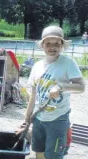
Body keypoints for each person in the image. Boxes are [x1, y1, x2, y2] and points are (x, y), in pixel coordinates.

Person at [17, 26, 85, 159]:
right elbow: (33, 95)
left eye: (57, 43)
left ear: (62, 45)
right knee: (39, 151)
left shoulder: (68, 63)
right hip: (38, 119)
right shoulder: (36, 66)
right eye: (48, 43)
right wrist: (27, 118)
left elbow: (81, 87)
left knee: (53, 155)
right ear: (42, 45)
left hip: (58, 119)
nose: (52, 47)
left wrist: (60, 86)